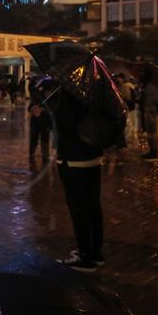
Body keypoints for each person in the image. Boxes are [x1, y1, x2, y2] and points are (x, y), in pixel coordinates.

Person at [48, 86, 105, 273]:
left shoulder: (70, 93)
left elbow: (63, 123)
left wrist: (50, 109)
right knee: (93, 207)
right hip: (93, 157)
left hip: (74, 159)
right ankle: (95, 253)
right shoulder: (97, 91)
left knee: (79, 209)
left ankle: (85, 257)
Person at [139, 67, 158, 160]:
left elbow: (153, 100)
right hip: (150, 109)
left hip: (151, 110)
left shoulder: (151, 86)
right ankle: (153, 150)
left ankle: (153, 151)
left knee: (152, 132)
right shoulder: (149, 85)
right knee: (151, 131)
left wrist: (144, 98)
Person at [28, 82, 52, 160]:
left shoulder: (52, 99)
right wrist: (33, 108)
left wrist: (44, 110)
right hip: (35, 122)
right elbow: (30, 107)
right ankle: (31, 153)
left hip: (45, 123)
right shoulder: (37, 98)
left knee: (45, 139)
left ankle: (45, 155)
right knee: (34, 138)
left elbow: (54, 110)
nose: (48, 93)